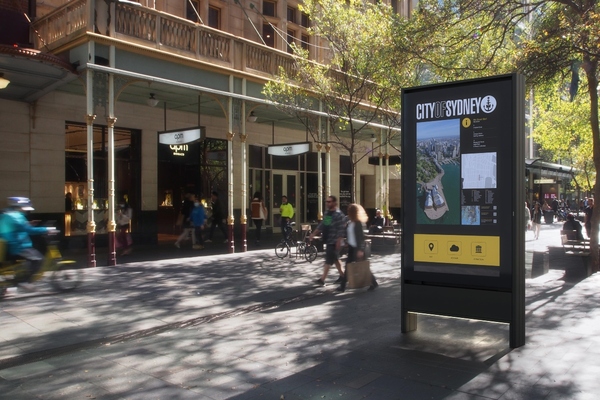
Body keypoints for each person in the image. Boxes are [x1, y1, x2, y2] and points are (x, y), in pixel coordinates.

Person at [0, 197, 54, 291]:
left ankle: (15, 281)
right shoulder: (16, 216)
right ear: (19, 207)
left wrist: (28, 224)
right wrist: (46, 229)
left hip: (9, 243)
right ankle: (25, 281)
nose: (26, 211)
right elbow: (28, 230)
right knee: (38, 259)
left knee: (25, 262)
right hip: (17, 245)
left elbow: (16, 226)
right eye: (24, 209)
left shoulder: (8, 214)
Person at [338, 203, 378, 292]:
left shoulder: (358, 224)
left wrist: (360, 250)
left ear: (353, 212)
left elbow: (361, 237)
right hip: (351, 247)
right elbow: (350, 235)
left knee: (362, 267)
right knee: (349, 266)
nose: (348, 212)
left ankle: (343, 286)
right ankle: (343, 286)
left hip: (357, 249)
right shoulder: (349, 223)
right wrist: (347, 242)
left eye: (349, 211)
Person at [309, 195, 346, 286]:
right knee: (336, 259)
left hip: (334, 241)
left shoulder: (338, 214)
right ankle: (343, 277)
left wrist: (339, 240)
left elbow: (341, 229)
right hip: (328, 239)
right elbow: (323, 225)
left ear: (334, 203)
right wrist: (313, 233)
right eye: (327, 201)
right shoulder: (328, 213)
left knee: (328, 260)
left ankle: (322, 279)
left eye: (329, 202)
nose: (327, 203)